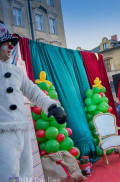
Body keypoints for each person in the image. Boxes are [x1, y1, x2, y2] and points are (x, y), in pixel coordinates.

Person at [0, 21, 67, 179]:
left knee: (25, 173)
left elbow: (33, 91)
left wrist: (51, 106)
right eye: (6, 43)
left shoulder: (17, 71)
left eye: (12, 44)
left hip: (22, 131)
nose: (11, 47)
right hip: (3, 133)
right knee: (7, 175)